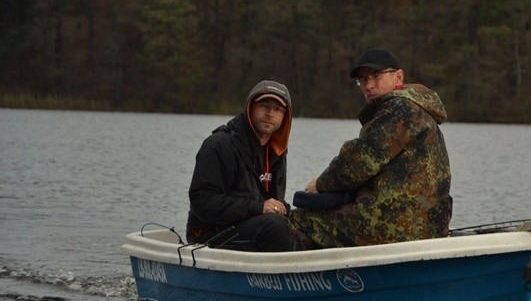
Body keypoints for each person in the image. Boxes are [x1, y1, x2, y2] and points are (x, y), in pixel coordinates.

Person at [288, 48, 452, 250]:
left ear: (398, 76)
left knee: (298, 220)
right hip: (429, 224)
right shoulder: (417, 109)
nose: (369, 85)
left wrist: (320, 184)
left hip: (397, 224)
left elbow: (358, 163)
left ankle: (298, 279)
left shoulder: (399, 109)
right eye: (363, 80)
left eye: (376, 76)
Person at [186, 80, 293, 251]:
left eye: (278, 109)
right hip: (211, 234)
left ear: (285, 117)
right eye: (264, 105)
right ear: (250, 107)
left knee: (305, 223)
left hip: (252, 225)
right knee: (277, 227)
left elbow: (268, 199)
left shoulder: (277, 152)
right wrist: (258, 208)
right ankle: (279, 277)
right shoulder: (219, 145)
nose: (270, 113)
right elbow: (203, 202)